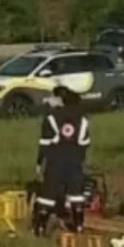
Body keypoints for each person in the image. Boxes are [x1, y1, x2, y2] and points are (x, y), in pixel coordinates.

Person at [31, 86, 91, 237]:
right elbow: (85, 144)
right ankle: (78, 227)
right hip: (75, 162)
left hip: (55, 162)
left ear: (61, 99)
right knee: (76, 195)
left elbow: (44, 144)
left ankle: (40, 229)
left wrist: (39, 163)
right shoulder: (83, 118)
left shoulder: (50, 117)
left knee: (47, 196)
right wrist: (79, 159)